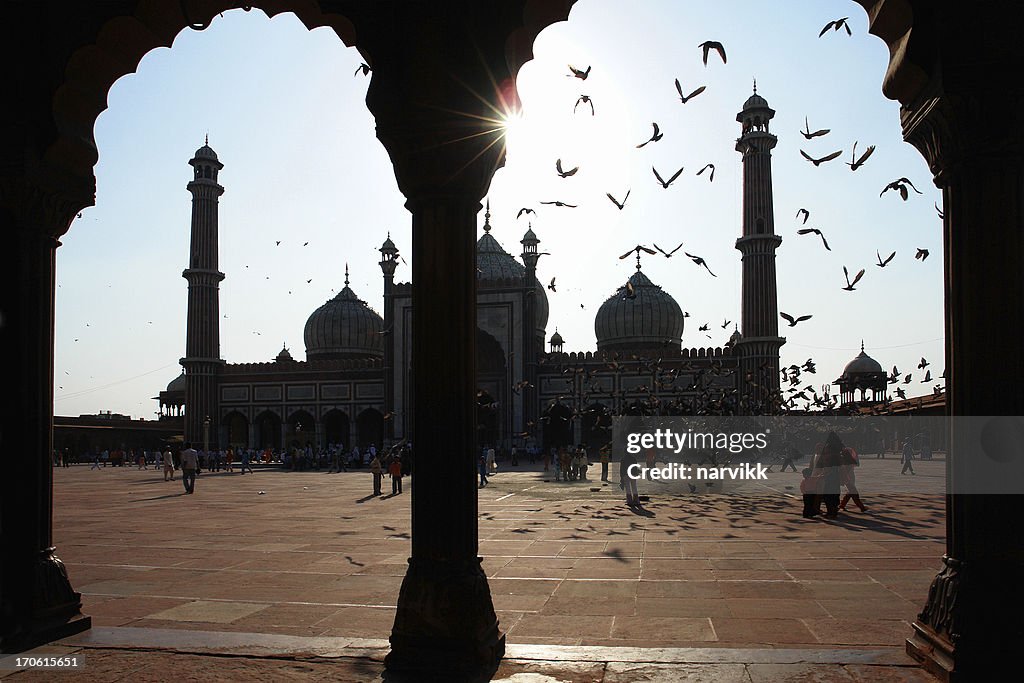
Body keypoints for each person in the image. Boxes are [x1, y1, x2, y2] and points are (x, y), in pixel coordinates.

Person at [815, 433, 843, 518]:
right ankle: (833, 511)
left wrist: (823, 474)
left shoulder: (829, 448)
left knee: (828, 494)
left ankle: (831, 512)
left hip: (829, 475)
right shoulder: (838, 449)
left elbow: (827, 463)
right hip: (835, 474)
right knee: (834, 493)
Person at [839, 446, 867, 512]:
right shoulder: (845, 461)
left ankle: (842, 505)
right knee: (854, 492)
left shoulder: (845, 459)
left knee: (851, 491)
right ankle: (861, 507)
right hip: (848, 478)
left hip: (849, 477)